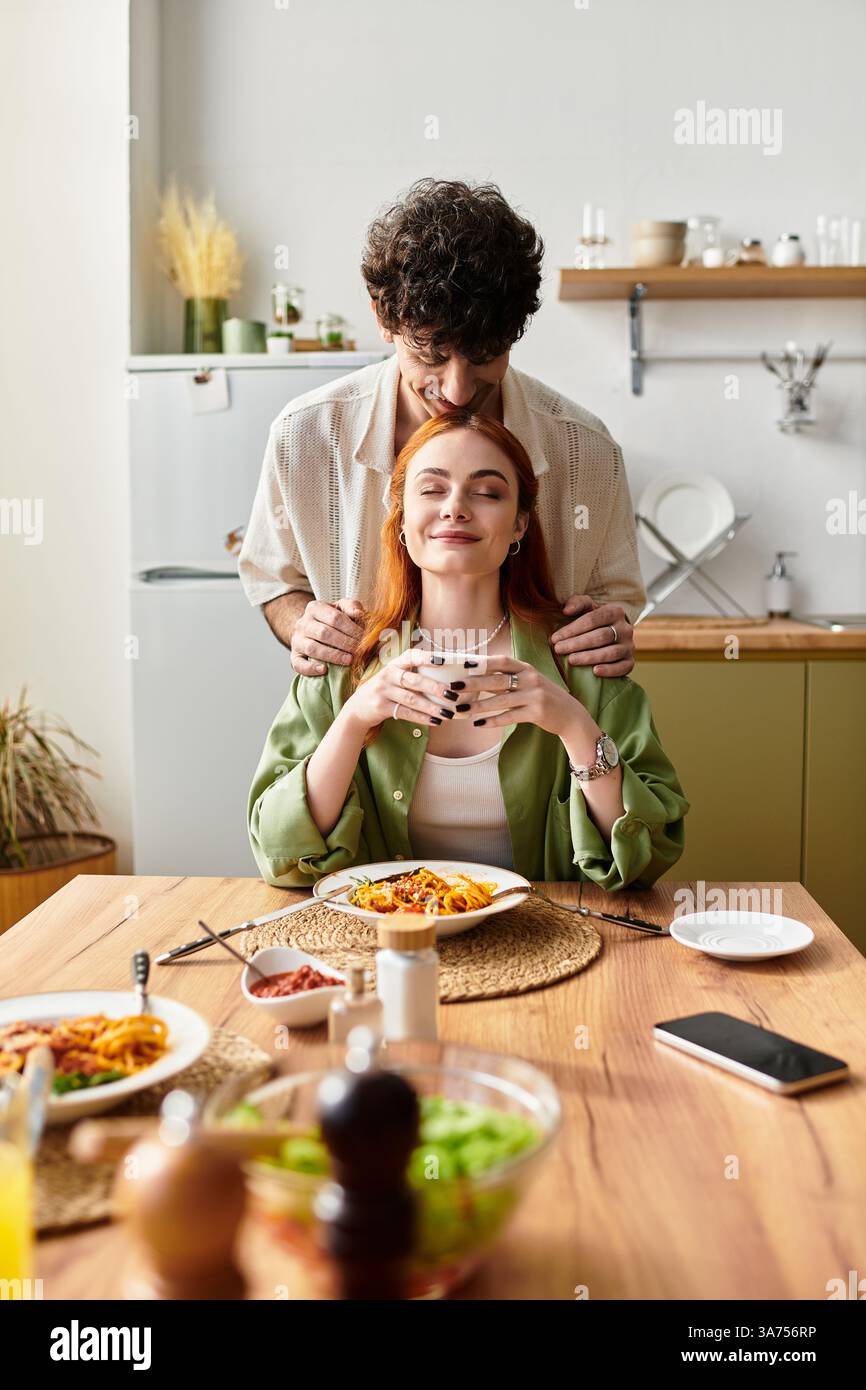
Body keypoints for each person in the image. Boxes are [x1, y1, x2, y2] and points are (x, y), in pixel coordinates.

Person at [248, 413, 687, 892]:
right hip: (385, 949)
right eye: (432, 489)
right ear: (400, 516)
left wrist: (573, 725)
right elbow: (279, 854)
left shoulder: (583, 657)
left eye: (487, 492)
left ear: (520, 523)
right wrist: (354, 720)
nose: (455, 508)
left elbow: (647, 860)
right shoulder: (343, 657)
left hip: (545, 943)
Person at [238, 178, 646, 684]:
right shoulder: (305, 436)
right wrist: (302, 624)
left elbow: (617, 597)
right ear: (382, 318)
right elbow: (273, 580)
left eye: (484, 358)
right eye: (430, 355)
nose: (456, 390)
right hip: (362, 743)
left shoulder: (587, 449)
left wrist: (611, 628)